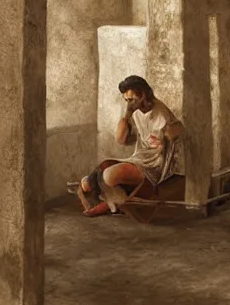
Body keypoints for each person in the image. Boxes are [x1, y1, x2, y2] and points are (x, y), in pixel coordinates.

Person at [77, 76, 184, 217]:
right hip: (139, 159)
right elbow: (120, 139)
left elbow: (176, 133)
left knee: (108, 176)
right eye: (126, 100)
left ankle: (112, 203)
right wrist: (127, 114)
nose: (129, 104)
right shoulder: (136, 112)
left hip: (154, 166)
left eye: (131, 100)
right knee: (92, 178)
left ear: (143, 95)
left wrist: (164, 140)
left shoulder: (160, 113)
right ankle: (111, 202)